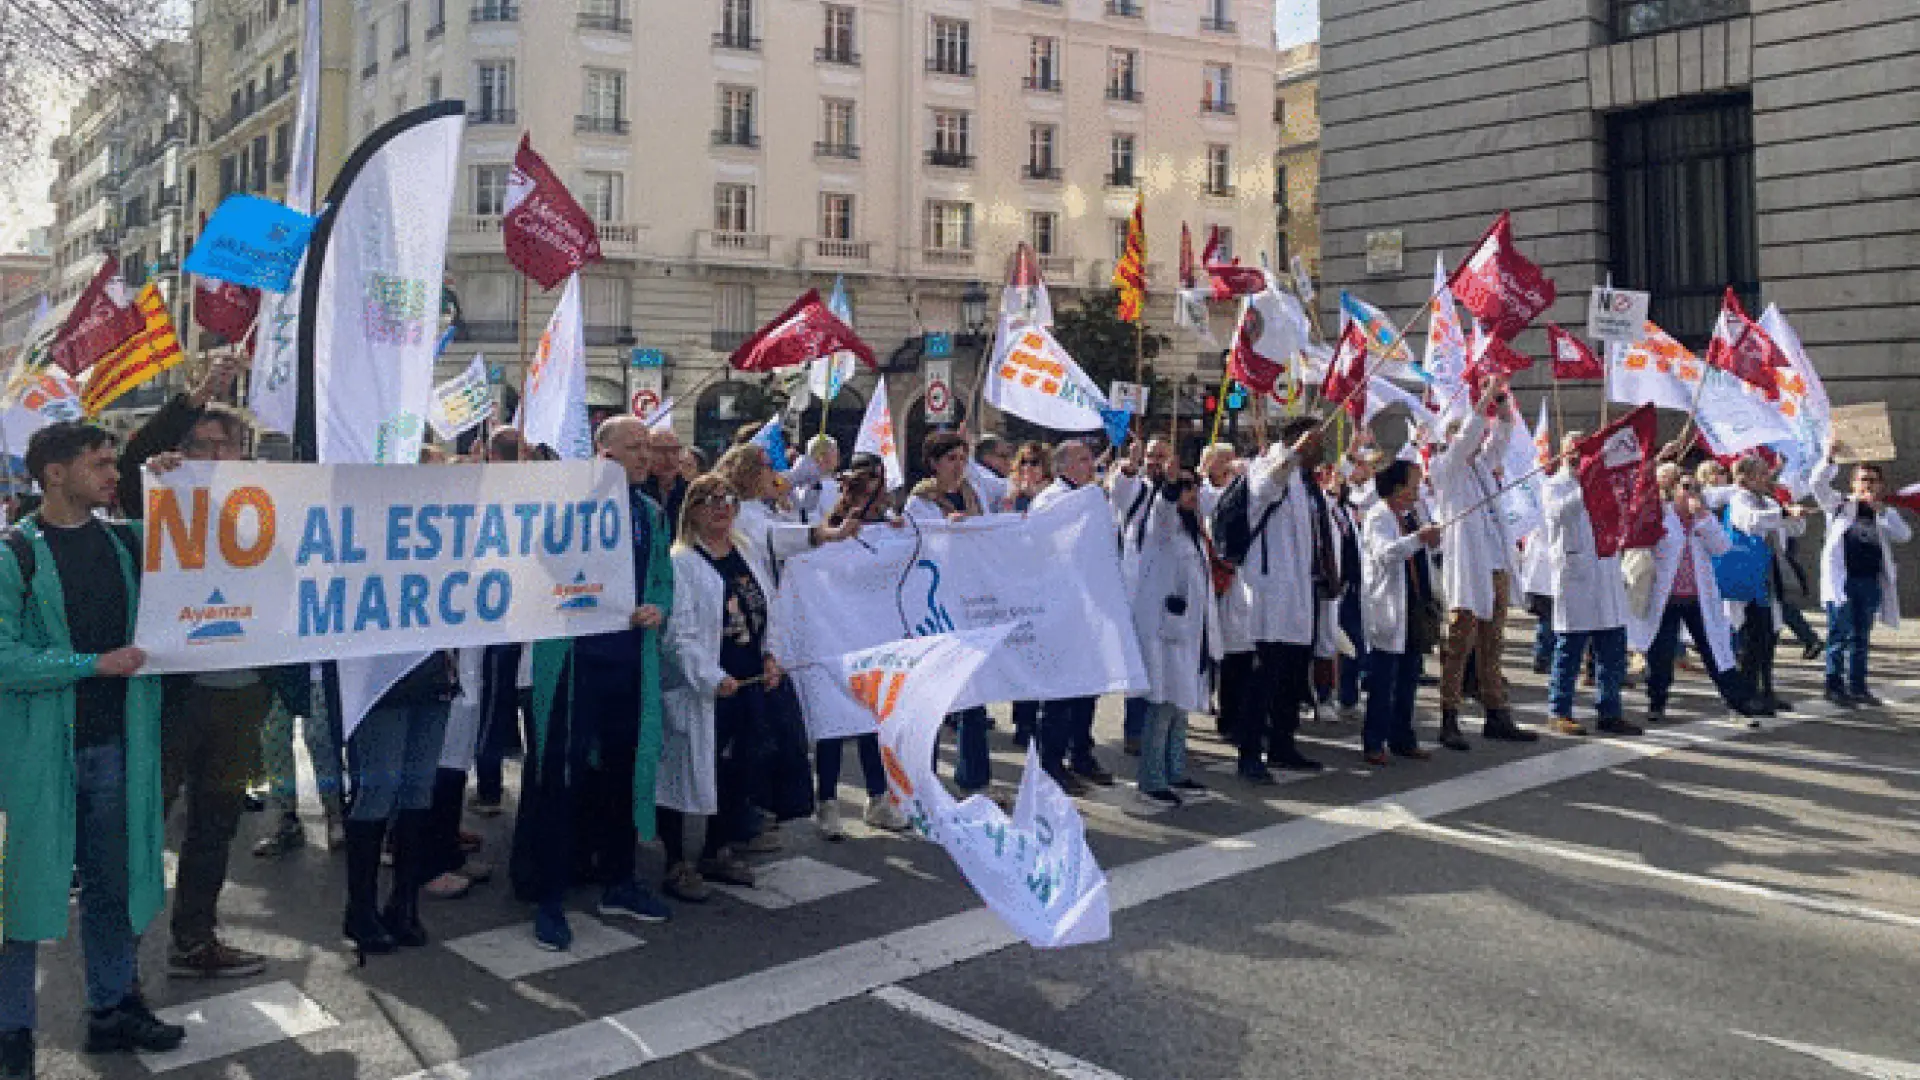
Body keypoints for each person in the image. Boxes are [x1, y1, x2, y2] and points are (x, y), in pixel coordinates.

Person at [0, 424, 185, 1075]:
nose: (113, 474)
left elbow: (211, 545)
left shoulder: (124, 543)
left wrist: (178, 483)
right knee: (17, 900)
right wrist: (91, 664)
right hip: (33, 760)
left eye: (116, 463)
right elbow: (5, 658)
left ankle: (112, 1008)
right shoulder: (14, 554)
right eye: (101, 463)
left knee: (112, 887)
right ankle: (12, 1034)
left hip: (114, 752)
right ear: (54, 472)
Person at [115, 362, 285, 979]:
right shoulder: (158, 492)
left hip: (240, 696)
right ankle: (119, 959)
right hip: (171, 694)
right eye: (201, 445)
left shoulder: (269, 508)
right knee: (144, 825)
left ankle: (194, 940)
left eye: (226, 445)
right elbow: (134, 457)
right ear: (178, 450)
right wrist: (195, 402)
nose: (215, 454)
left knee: (215, 827)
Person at [519, 417, 675, 952]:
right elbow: (540, 557)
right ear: (603, 453)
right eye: (633, 448)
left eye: (647, 449)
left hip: (628, 662)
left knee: (623, 774)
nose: (643, 457)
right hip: (573, 662)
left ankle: (620, 879)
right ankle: (549, 897)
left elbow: (661, 579)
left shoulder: (650, 513)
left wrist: (660, 606)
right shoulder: (568, 505)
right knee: (561, 779)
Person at [659, 475, 779, 900]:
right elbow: (678, 635)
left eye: (728, 498)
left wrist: (770, 656)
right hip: (704, 685)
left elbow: (766, 609)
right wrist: (710, 676)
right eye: (709, 501)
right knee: (680, 772)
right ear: (691, 510)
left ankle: (717, 848)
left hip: (747, 680)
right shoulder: (682, 562)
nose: (721, 507)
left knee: (736, 768)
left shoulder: (744, 552)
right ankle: (676, 862)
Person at [1428, 377, 1537, 747]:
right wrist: (1483, 400)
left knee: (1493, 642)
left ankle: (1496, 712)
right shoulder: (1447, 468)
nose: (1479, 445)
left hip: (1495, 566)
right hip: (1468, 567)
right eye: (1472, 438)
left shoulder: (1479, 469)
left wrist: (1503, 403)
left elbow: (1501, 438)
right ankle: (1449, 715)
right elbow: (1466, 442)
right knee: (1460, 642)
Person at [1226, 416, 1335, 782]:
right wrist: (1289, 455)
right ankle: (1249, 752)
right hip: (1270, 593)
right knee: (1263, 676)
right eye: (1315, 441)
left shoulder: (1306, 484)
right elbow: (1264, 489)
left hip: (1300, 592)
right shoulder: (1268, 467)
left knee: (1291, 675)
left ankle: (1283, 744)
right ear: (1293, 439)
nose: (1321, 448)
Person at [813, 454, 912, 836]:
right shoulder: (836, 523)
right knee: (834, 724)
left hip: (874, 637)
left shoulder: (888, 525)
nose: (877, 488)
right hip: (837, 635)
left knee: (873, 721)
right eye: (869, 480)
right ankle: (828, 802)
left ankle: (877, 798)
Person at [905, 432, 1002, 794]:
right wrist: (948, 532)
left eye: (963, 458)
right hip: (937, 607)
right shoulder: (920, 503)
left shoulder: (974, 496)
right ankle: (923, 781)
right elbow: (916, 548)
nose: (959, 465)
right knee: (934, 696)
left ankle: (974, 779)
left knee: (974, 696)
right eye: (951, 459)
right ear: (934, 463)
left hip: (969, 602)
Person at [1129, 467, 1220, 806]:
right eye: (1184, 488)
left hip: (1187, 632)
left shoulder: (1193, 531)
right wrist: (1168, 488)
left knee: (1180, 705)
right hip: (1164, 632)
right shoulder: (1162, 526)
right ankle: (1151, 780)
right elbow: (1163, 509)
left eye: (1194, 486)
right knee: (1163, 705)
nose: (1191, 493)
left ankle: (1175, 771)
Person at [1630, 471, 1750, 723]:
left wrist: (1703, 517)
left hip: (1698, 598)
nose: (1691, 493)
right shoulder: (1662, 515)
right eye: (1686, 487)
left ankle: (1735, 702)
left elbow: (1722, 547)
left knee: (1715, 650)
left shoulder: (1703, 519)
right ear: (1675, 490)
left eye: (1695, 488)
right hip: (1666, 597)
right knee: (1661, 653)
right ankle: (1656, 702)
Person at [1540, 439, 1641, 738]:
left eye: (1583, 451)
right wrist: (1586, 485)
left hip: (1606, 573)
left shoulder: (1605, 482)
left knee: (1612, 651)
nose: (1577, 456)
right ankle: (1559, 711)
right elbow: (1558, 514)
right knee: (1569, 650)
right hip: (1576, 578)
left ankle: (1609, 711)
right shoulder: (1554, 485)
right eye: (1573, 451)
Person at [1029, 440, 1111, 796]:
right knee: (1061, 694)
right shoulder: (1051, 500)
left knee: (1087, 688)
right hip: (1060, 609)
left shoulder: (1089, 497)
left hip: (1088, 607)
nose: (1089, 465)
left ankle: (1082, 753)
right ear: (1062, 467)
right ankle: (1051, 763)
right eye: (1081, 460)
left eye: (1090, 459)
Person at [1359, 460, 1444, 764]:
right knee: (1384, 680)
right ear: (1397, 487)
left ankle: (1402, 737)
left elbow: (1427, 553)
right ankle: (1374, 741)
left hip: (1414, 607)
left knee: (1409, 677)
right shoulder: (1378, 516)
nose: (1417, 490)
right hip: (1390, 606)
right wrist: (1419, 538)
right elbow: (1386, 553)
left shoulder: (1410, 516)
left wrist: (1431, 538)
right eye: (1413, 484)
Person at [1811, 448, 1911, 707]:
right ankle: (1833, 686)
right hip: (1842, 582)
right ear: (1852, 483)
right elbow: (1817, 484)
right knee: (1838, 635)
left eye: (1872, 480)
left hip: (1869, 582)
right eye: (1862, 479)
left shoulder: (1883, 512)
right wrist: (1829, 458)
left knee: (1861, 637)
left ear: (1881, 485)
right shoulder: (1838, 504)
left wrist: (1883, 512)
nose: (1867, 484)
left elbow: (1904, 535)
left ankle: (1858, 686)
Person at [1725, 454, 1805, 717]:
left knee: (1770, 637)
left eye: (1765, 472)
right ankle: (1747, 694)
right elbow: (1752, 522)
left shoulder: (1769, 500)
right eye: (1759, 473)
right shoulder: (1738, 500)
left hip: (1769, 576)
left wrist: (1793, 512)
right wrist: (1782, 512)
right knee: (1753, 638)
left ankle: (1766, 691)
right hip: (1749, 577)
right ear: (1744, 478)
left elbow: (1794, 530)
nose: (1766, 477)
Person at [1108, 437, 1173, 757]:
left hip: (1169, 590)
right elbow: (1120, 491)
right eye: (1150, 455)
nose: (1155, 461)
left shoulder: (1177, 491)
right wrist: (1130, 466)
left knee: (1165, 662)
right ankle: (1134, 730)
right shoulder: (1137, 488)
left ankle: (1163, 731)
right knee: (1140, 662)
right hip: (1136, 589)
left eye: (1161, 456)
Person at [999, 442, 1053, 748]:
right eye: (1024, 463)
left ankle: (1038, 715)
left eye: (1035, 463)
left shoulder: (1051, 496)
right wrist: (1012, 500)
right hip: (1016, 582)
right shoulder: (1012, 495)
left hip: (1042, 582)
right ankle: (1023, 719)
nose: (1029, 469)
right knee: (1021, 650)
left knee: (1039, 653)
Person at [644, 428, 690, 527]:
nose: (669, 458)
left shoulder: (690, 492)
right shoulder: (637, 491)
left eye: (675, 451)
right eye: (661, 451)